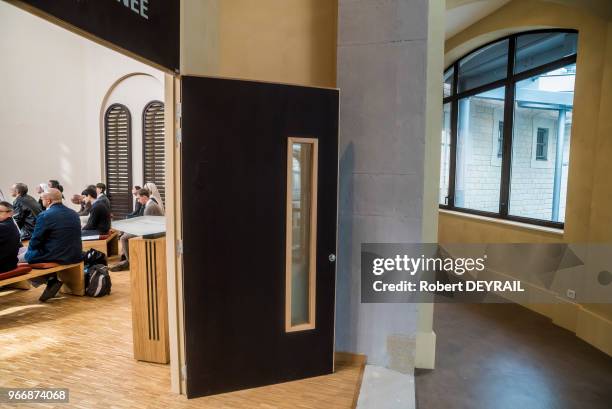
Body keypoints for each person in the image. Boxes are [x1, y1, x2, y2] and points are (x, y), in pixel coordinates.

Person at [22, 189, 82, 302]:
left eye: (42, 199)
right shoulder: (73, 213)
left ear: (48, 200)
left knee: (20, 258)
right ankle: (50, 278)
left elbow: (35, 240)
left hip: (57, 255)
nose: (41, 201)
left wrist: (29, 254)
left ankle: (49, 279)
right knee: (25, 252)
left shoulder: (45, 215)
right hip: (74, 253)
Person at [111, 188, 163, 271]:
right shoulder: (151, 204)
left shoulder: (150, 207)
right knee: (125, 233)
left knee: (123, 238)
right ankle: (127, 259)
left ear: (144, 197)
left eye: (138, 198)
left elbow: (147, 227)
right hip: (154, 231)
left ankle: (130, 262)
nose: (138, 201)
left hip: (154, 233)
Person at [0, 202, 20, 274]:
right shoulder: (10, 224)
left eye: (0, 211)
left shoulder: (3, 227)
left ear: (10, 213)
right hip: (10, 264)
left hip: (3, 267)